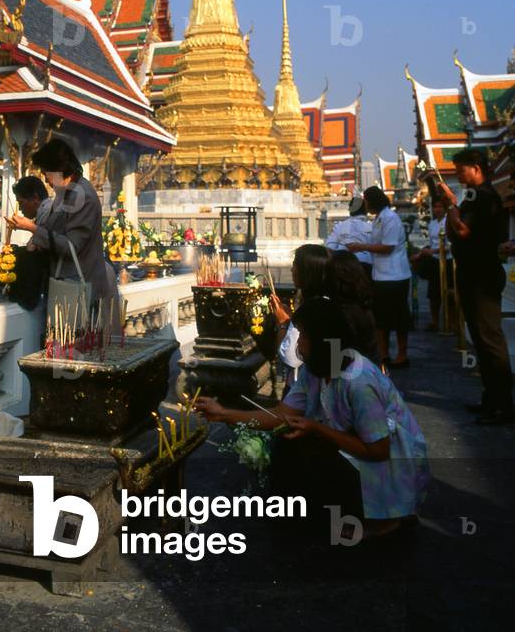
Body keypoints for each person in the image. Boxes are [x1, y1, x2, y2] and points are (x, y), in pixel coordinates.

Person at [195, 297, 430, 541]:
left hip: (390, 464)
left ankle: (386, 521)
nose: (300, 346)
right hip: (355, 449)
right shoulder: (315, 369)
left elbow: (379, 450)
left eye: (304, 337)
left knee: (313, 449)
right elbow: (281, 415)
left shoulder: (359, 382)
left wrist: (317, 428)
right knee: (287, 443)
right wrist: (224, 413)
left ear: (324, 340)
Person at [8, 138, 120, 327]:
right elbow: (54, 235)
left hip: (81, 283)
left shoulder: (81, 195)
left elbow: (71, 246)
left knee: (81, 347)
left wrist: (32, 228)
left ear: (58, 169)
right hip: (66, 282)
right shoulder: (66, 194)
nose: (46, 180)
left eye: (46, 174)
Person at [437, 148, 513, 424]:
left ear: (476, 168)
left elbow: (463, 230)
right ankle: (491, 398)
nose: (458, 174)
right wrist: (451, 205)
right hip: (471, 272)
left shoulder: (484, 196)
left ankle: (503, 405)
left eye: (461, 169)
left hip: (482, 274)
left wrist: (449, 203)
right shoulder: (471, 197)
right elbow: (452, 229)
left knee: (489, 338)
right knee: (480, 339)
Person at [348, 187, 412, 370]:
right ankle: (383, 354)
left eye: (366, 201)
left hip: (395, 275)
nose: (365, 205)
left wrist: (361, 247)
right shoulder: (378, 219)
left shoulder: (390, 219)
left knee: (399, 318)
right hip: (381, 275)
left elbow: (388, 247)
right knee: (381, 317)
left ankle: (402, 354)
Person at [277, 244, 330, 385]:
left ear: (307, 272)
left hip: (308, 386)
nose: (292, 270)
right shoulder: (329, 303)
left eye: (295, 265)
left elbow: (290, 357)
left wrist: (284, 323)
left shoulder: (312, 309)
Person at [324, 250, 382, 367]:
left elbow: (335, 364)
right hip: (369, 371)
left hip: (352, 377)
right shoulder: (362, 306)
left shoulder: (340, 314)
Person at [410, 198, 452, 332]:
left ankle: (452, 322)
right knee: (433, 294)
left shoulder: (449, 223)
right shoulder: (432, 223)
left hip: (448, 260)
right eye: (435, 207)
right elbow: (432, 242)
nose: (437, 209)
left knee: (449, 293)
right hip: (434, 261)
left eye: (440, 207)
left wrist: (431, 251)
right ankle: (435, 321)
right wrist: (422, 252)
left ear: (445, 209)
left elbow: (450, 246)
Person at [325, 194, 373, 279]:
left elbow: (329, 248)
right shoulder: (372, 227)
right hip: (367, 267)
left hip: (344, 268)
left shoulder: (339, 227)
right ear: (366, 211)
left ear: (350, 210)